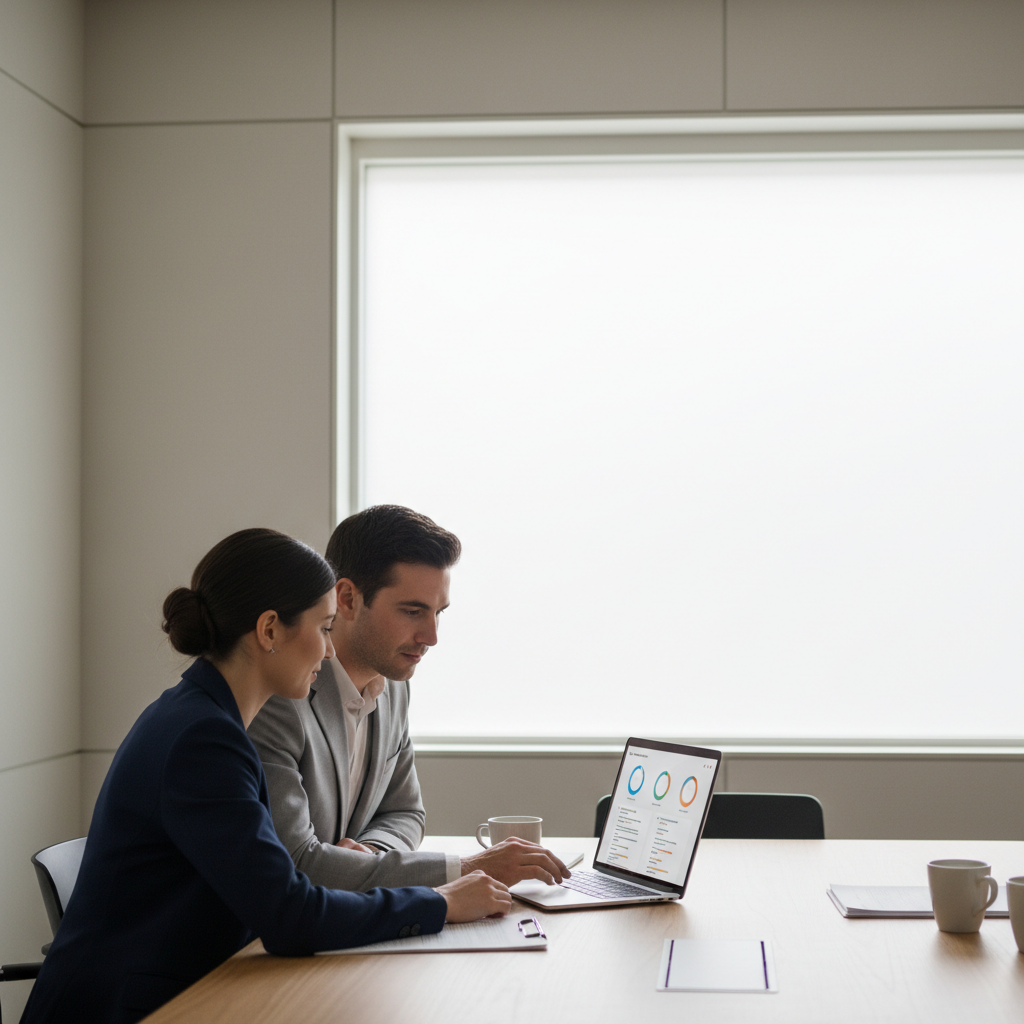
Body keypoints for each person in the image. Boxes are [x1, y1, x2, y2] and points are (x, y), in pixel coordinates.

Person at [21, 528, 509, 1024]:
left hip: (196, 988)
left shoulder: (205, 718)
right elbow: (290, 915)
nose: (329, 652)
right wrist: (438, 902)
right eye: (324, 629)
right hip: (131, 1009)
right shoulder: (204, 739)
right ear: (270, 630)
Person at [248, 505, 569, 891]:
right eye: (413, 611)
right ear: (346, 599)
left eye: (438, 613)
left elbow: (405, 812)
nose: (431, 637)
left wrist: (370, 854)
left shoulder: (394, 687)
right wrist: (465, 868)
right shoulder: (280, 695)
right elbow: (295, 863)